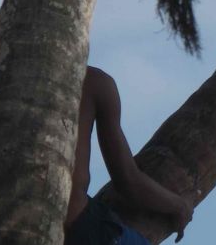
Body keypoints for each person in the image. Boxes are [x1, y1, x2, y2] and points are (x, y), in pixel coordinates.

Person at [65, 66, 194, 245]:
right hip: (80, 229)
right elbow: (127, 181)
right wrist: (180, 206)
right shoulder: (93, 81)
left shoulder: (14, 73)